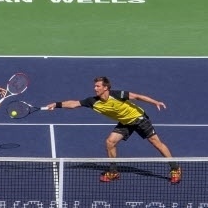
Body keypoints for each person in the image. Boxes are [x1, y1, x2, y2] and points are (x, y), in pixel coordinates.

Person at [44, 77, 181, 184]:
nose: (95, 88)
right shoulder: (93, 101)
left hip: (139, 118)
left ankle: (175, 168)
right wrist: (56, 105)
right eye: (95, 86)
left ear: (106, 87)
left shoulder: (117, 94)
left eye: (98, 86)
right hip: (125, 122)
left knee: (156, 142)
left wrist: (155, 102)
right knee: (110, 142)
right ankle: (114, 171)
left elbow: (137, 96)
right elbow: (74, 104)